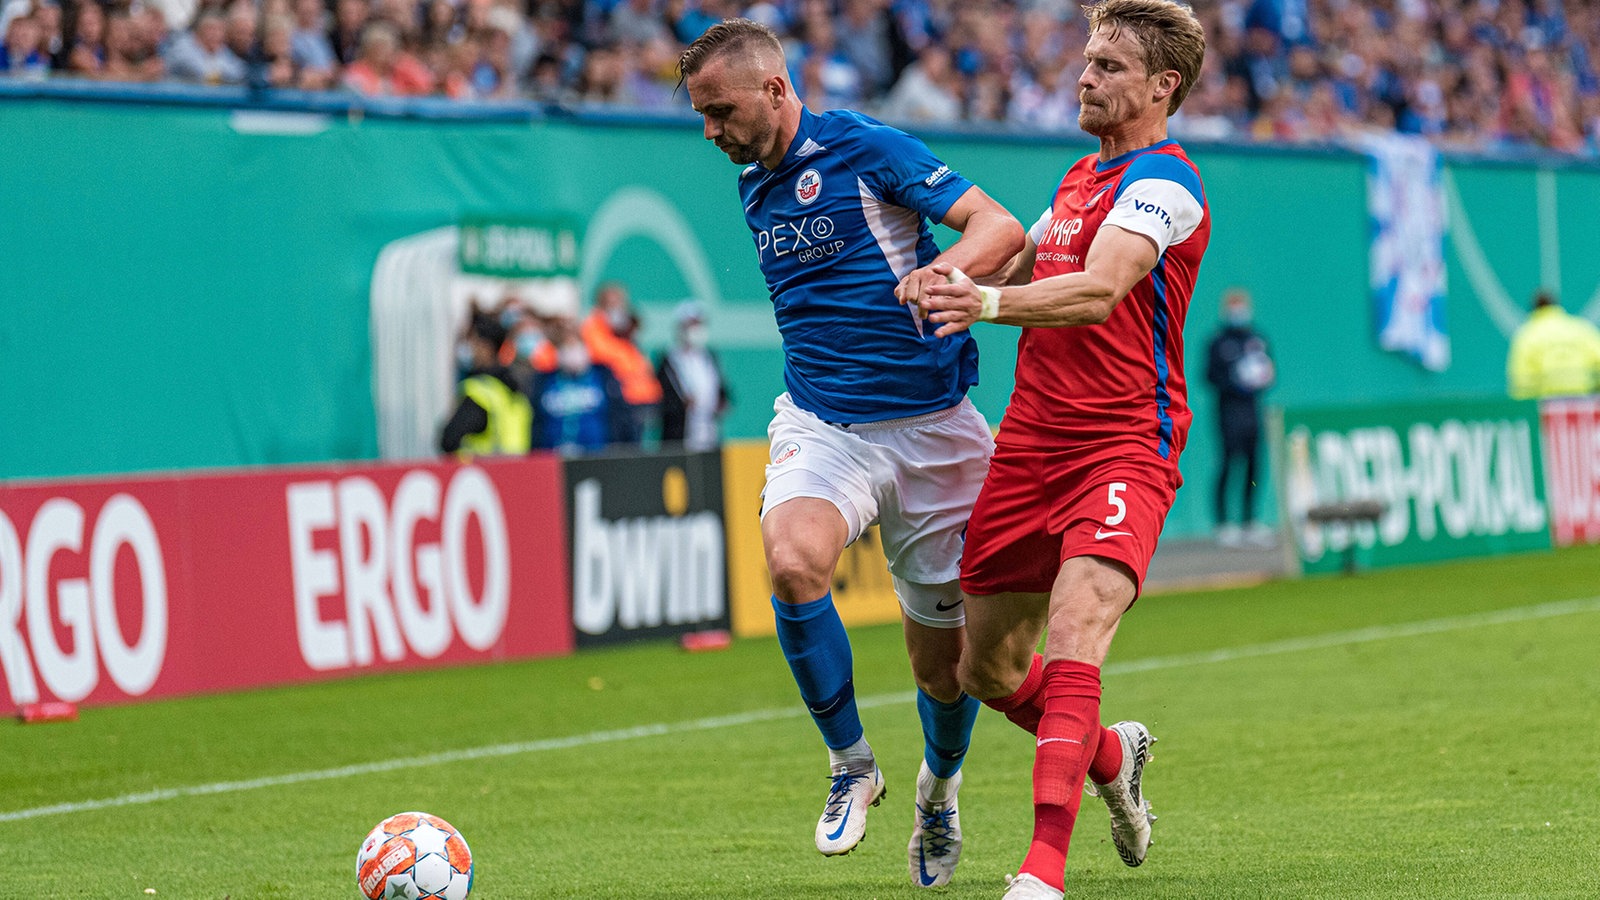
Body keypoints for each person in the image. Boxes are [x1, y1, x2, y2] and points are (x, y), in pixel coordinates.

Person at [681, 18, 1025, 888]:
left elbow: (998, 226)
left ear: (773, 89)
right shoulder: (755, 187)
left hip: (936, 432)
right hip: (826, 426)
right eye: (701, 117)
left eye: (720, 111)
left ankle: (938, 791)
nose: (711, 132)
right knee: (794, 564)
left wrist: (950, 277)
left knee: (947, 671)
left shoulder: (863, 145)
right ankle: (850, 765)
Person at [916, 2, 1210, 897]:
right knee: (985, 668)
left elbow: (1097, 290)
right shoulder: (1081, 180)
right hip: (1031, 448)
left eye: (1109, 66)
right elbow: (1017, 267)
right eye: (1086, 61)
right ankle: (1111, 751)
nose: (1084, 77)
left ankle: (1042, 873)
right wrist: (941, 274)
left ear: (1162, 87)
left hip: (1125, 444)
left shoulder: (1166, 184)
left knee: (1078, 629)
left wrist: (985, 306)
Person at [1205, 286, 1275, 548]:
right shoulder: (1218, 342)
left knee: (1254, 465)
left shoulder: (1257, 339)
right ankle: (1223, 523)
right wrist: (1235, 382)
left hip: (1253, 411)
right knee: (1228, 463)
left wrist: (1260, 379)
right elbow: (1209, 376)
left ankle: (1249, 521)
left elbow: (1269, 372)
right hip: (1228, 411)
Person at [529, 315, 630, 454]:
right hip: (554, 457)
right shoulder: (545, 381)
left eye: (575, 345)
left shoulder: (603, 376)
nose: (572, 351)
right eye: (566, 346)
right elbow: (537, 421)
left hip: (597, 456)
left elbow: (620, 415)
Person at [438, 310, 533, 457]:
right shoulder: (516, 389)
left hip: (485, 474)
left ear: (486, 347)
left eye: (473, 342)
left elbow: (449, 440)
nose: (470, 348)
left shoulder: (478, 392)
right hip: (518, 473)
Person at [580, 281, 662, 446]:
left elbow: (640, 366)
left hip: (638, 403)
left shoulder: (626, 334)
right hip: (617, 402)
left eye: (620, 303)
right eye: (611, 303)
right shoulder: (594, 328)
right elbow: (604, 356)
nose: (617, 308)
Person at [655, 301, 730, 452]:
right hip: (680, 436)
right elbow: (661, 399)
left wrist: (721, 402)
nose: (696, 330)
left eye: (699, 324)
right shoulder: (669, 359)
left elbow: (722, 390)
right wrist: (681, 405)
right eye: (691, 325)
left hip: (709, 432)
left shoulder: (709, 357)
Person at [1506, 288, 1600, 400]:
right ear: (1555, 305)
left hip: (1544, 405)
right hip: (1583, 403)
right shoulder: (1581, 329)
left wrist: (1528, 409)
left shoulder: (1527, 335)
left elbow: (1521, 381)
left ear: (1533, 308)